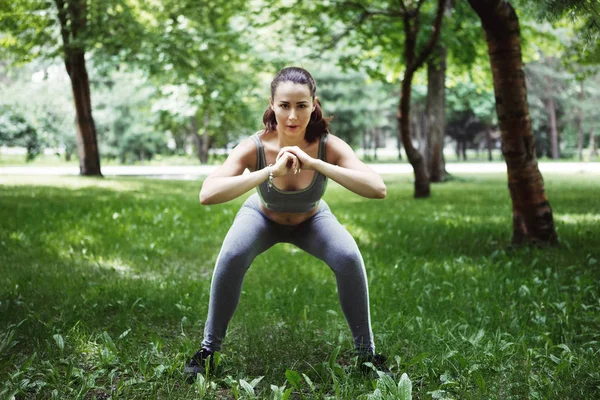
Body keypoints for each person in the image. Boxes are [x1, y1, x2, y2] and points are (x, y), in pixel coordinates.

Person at [185, 67, 388, 380]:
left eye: (301, 106)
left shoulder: (327, 145)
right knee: (231, 257)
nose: (292, 116)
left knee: (349, 258)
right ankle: (208, 352)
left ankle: (367, 357)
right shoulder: (255, 146)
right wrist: (270, 172)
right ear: (272, 104)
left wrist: (316, 163)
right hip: (262, 216)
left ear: (313, 104)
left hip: (312, 218)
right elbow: (207, 193)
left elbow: (377, 189)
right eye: (284, 105)